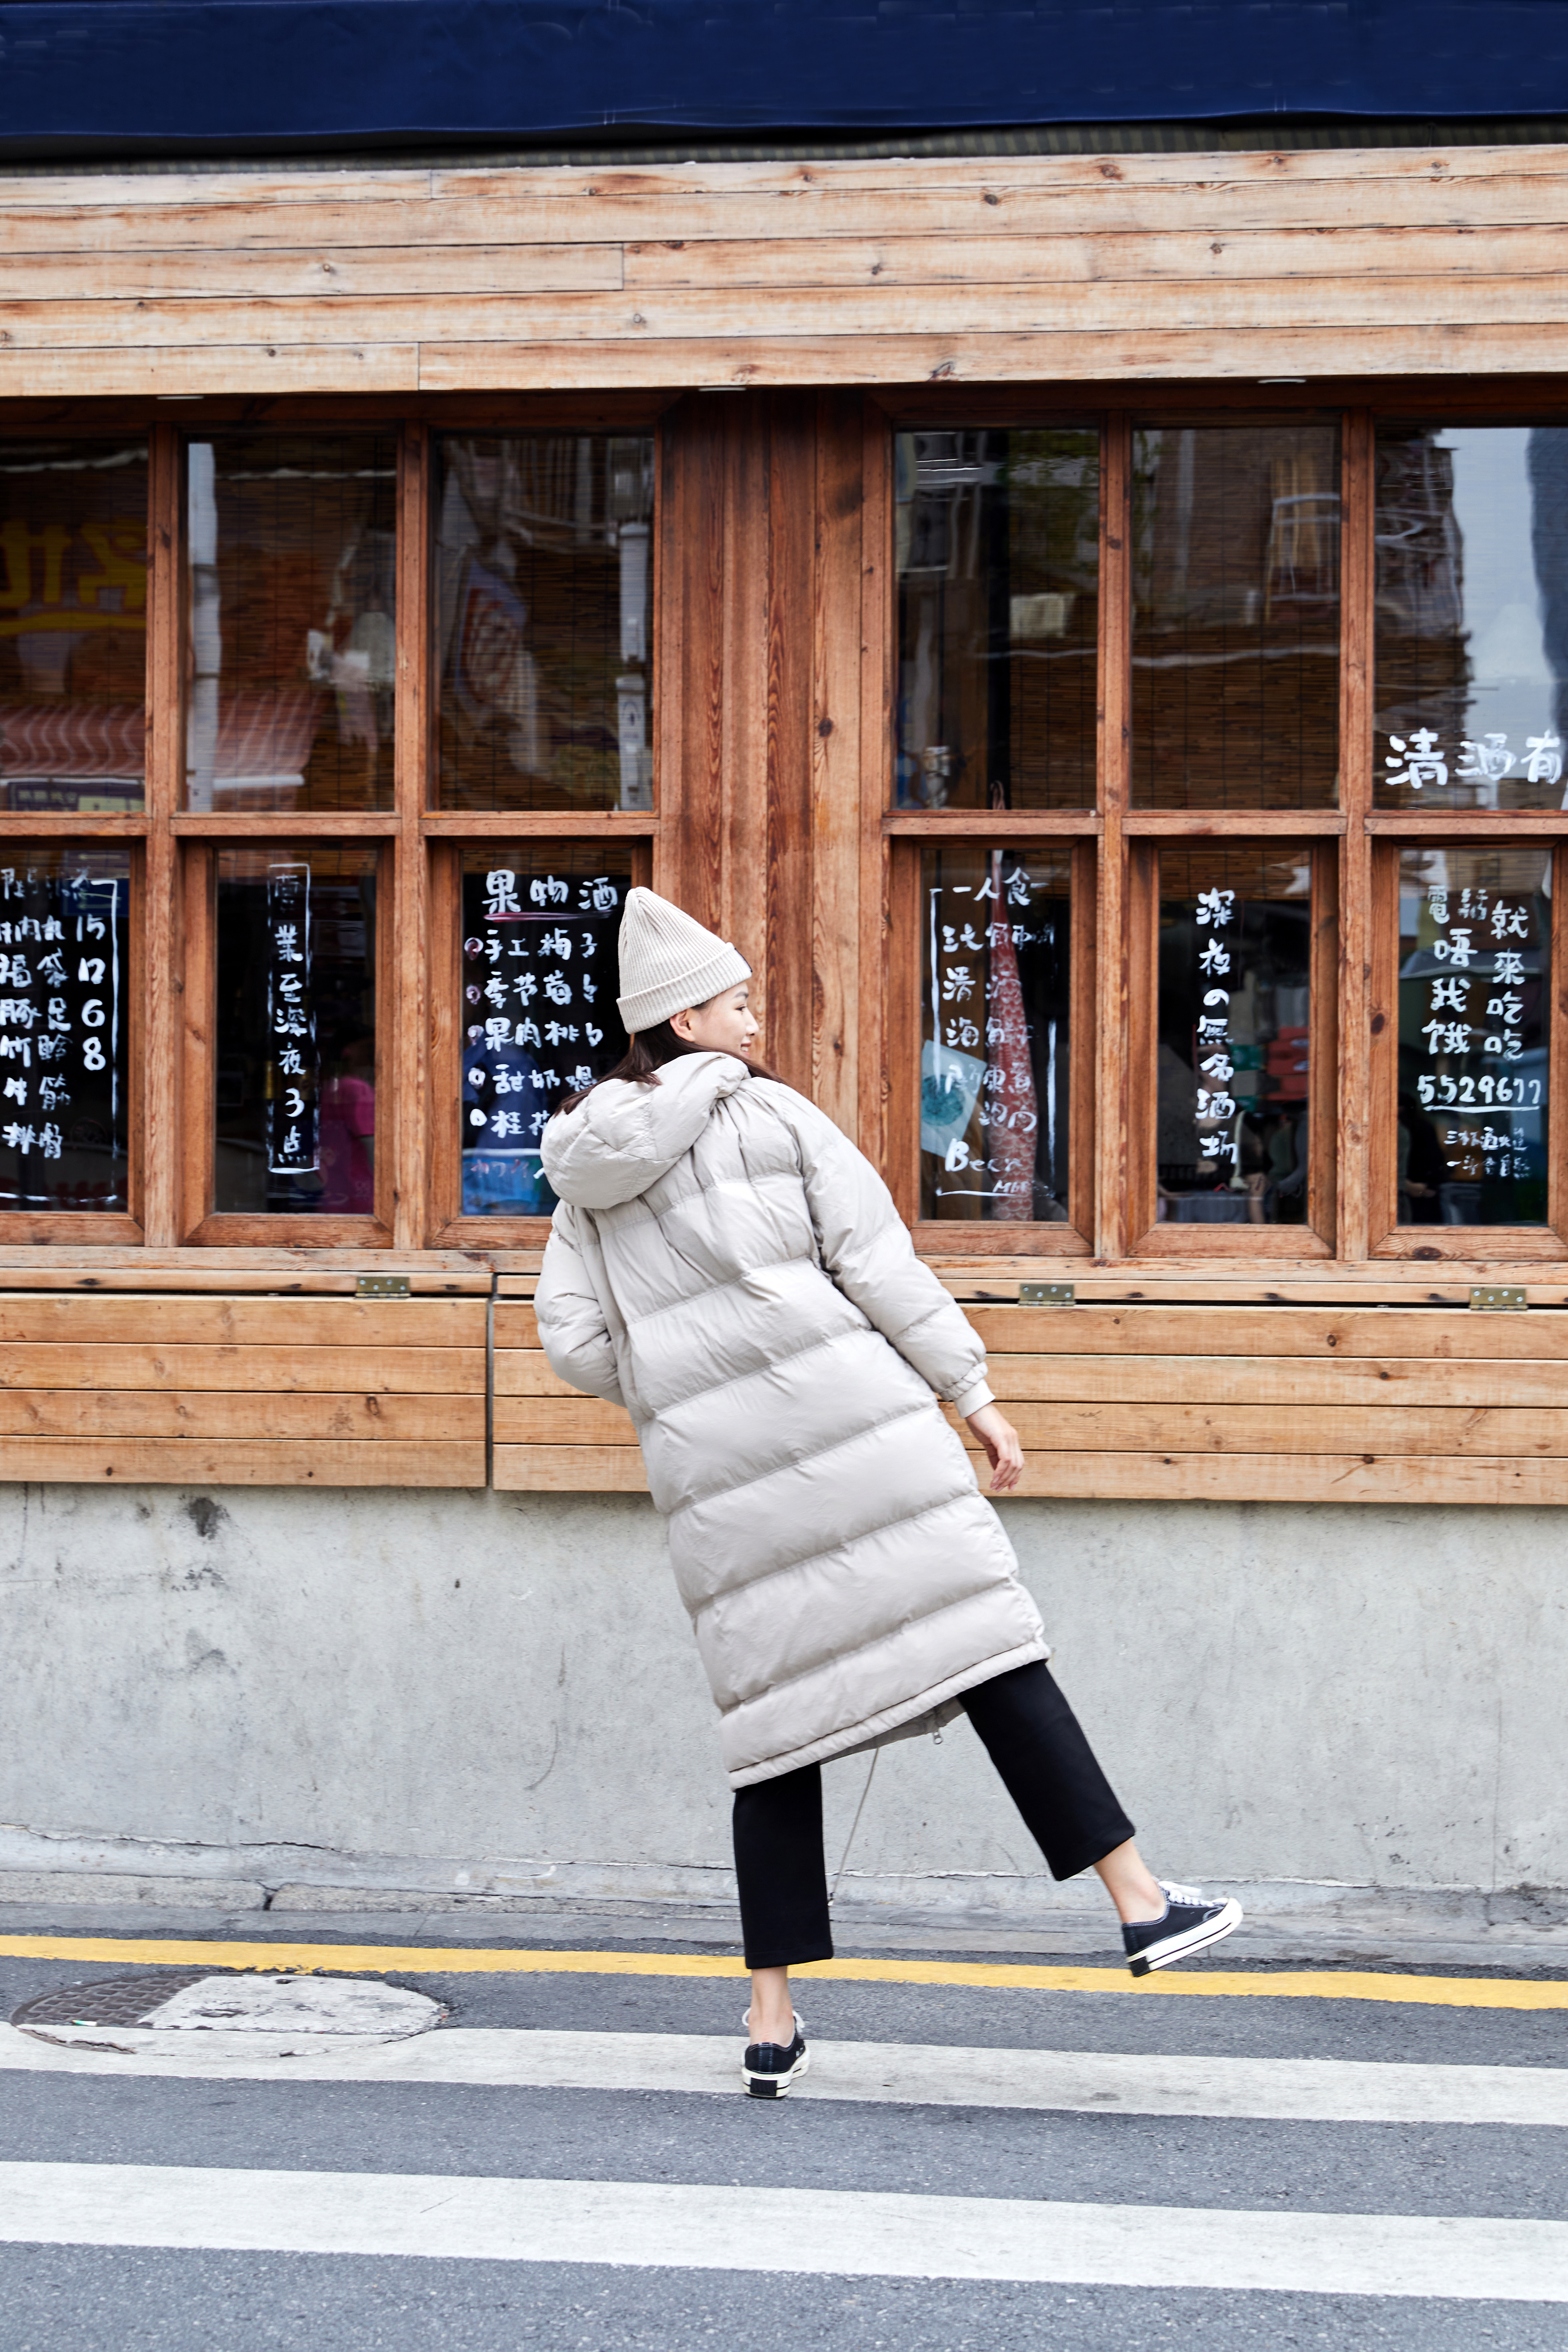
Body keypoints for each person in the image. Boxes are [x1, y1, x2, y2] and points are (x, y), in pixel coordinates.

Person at [535, 887, 1242, 2099]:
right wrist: (971, 1392)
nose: (756, 1020)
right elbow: (878, 1265)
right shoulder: (771, 1118)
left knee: (773, 1726)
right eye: (739, 1001)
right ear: (686, 1016)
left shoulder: (581, 1172)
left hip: (723, 1488)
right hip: (863, 1434)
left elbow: (572, 1341)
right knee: (988, 1650)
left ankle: (769, 2022)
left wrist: (679, 1390)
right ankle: (1136, 1900)